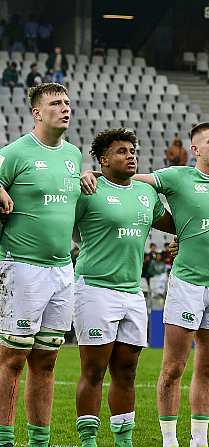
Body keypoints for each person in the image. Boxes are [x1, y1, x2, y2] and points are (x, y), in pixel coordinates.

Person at [81, 122, 209, 447]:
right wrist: (95, 175)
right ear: (195, 149)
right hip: (187, 285)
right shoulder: (175, 177)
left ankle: (199, 440)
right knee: (173, 368)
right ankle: (169, 441)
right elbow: (131, 180)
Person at [73, 128, 176, 447]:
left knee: (127, 371)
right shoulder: (88, 189)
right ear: (103, 159)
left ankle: (123, 441)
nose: (131, 156)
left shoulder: (146, 195)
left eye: (133, 151)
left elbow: (179, 224)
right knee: (93, 371)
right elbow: (64, 222)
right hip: (95, 289)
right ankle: (89, 441)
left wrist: (180, 243)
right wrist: (80, 175)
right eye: (121, 151)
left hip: (133, 293)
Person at [0, 83, 81, 447]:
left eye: (66, 103)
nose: (64, 108)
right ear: (37, 112)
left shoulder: (74, 155)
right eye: (55, 103)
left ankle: (39, 442)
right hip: (21, 268)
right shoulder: (15, 152)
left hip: (63, 270)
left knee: (47, 360)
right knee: (12, 358)